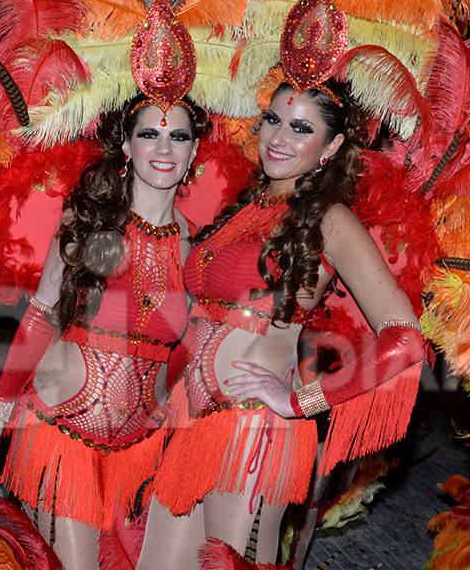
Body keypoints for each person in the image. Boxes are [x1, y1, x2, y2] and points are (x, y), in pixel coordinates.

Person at [136, 79, 428, 570]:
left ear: (331, 146)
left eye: (299, 128)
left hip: (254, 430)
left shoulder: (331, 221)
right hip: (191, 422)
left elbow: (405, 339)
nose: (278, 138)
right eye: (273, 120)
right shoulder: (244, 210)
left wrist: (300, 402)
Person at [0, 93, 209, 570]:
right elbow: (41, 316)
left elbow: (189, 352)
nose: (164, 148)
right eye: (149, 134)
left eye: (178, 136)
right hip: (60, 434)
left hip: (139, 455)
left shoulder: (199, 247)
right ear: (125, 145)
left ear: (194, 152)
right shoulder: (91, 220)